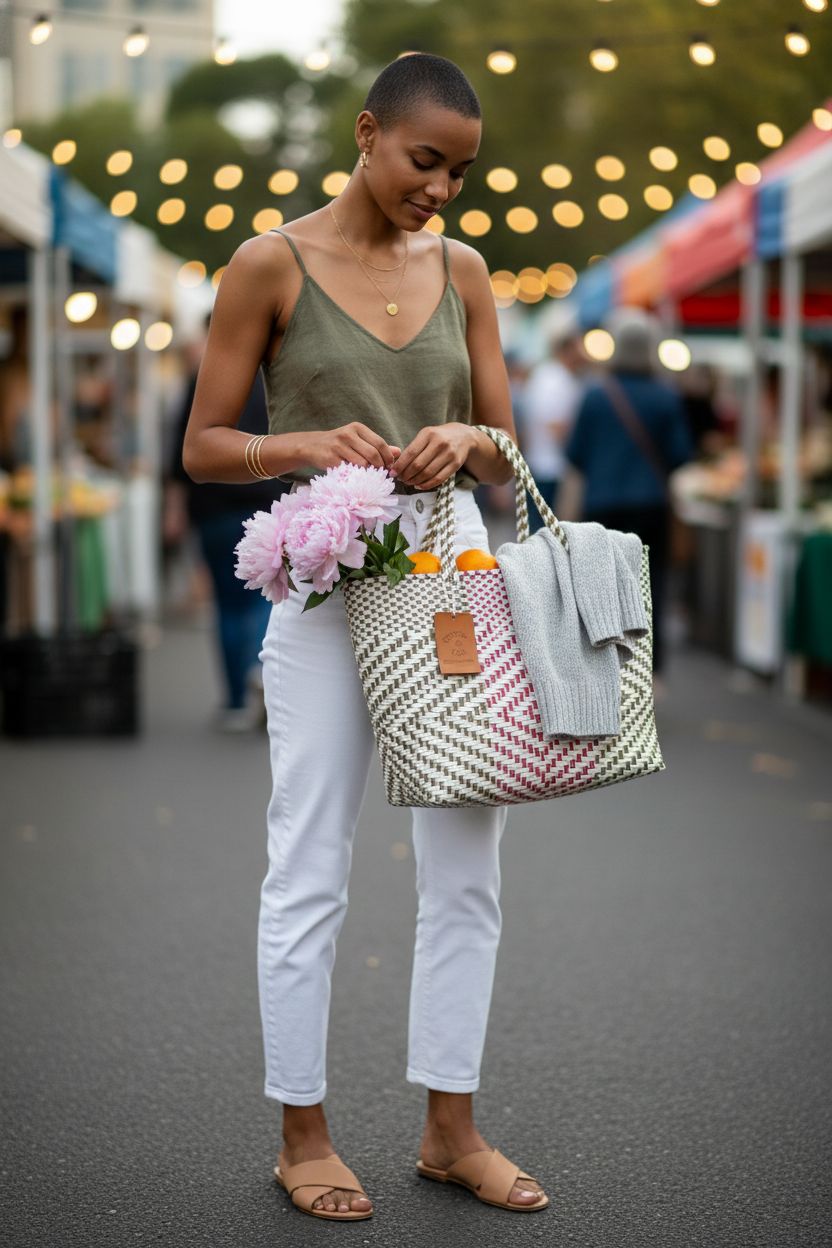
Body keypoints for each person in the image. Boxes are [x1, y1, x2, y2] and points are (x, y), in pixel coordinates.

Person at [182, 53, 550, 1221]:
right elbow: (202, 444)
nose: (440, 188)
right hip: (326, 582)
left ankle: (452, 1129)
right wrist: (296, 447)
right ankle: (304, 1133)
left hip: (451, 587)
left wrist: (466, 444)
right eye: (423, 161)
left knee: (465, 872)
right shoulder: (267, 264)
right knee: (308, 869)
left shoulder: (467, 271)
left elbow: (503, 439)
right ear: (367, 135)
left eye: (460, 172)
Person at [563, 306, 694, 684]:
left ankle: (603, 669)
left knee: (600, 588)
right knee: (651, 588)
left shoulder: (595, 395)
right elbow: (681, 455)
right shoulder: (666, 396)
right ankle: (649, 673)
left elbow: (575, 455)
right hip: (651, 505)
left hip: (602, 505)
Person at [167, 316, 284, 731]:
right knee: (266, 599)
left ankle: (237, 697)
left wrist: (175, 507)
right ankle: (262, 675)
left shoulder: (204, 377)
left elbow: (181, 450)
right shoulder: (278, 374)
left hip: (214, 505)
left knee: (228, 603)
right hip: (268, 503)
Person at [521, 326, 585, 531]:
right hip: (549, 465)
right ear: (566, 350)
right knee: (545, 529)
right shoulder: (555, 379)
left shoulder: (548, 376)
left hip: (543, 462)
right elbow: (555, 425)